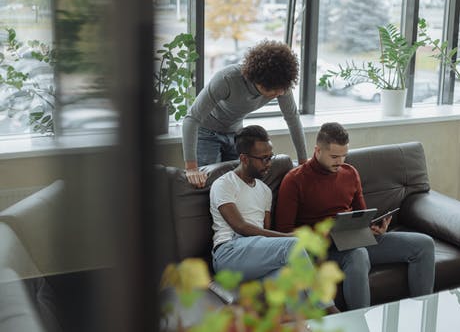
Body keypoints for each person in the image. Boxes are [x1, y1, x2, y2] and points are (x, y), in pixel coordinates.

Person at [275, 122, 435, 310]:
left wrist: (373, 229)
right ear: (317, 150)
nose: (340, 162)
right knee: (357, 254)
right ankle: (360, 322)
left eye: (344, 155)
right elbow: (282, 233)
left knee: (424, 245)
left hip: (352, 240)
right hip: (320, 250)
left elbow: (361, 215)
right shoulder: (295, 180)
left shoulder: (350, 173)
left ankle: (422, 315)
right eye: (334, 156)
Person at [210, 125, 338, 312]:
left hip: (255, 254)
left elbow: (265, 235)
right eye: (264, 159)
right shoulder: (224, 184)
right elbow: (241, 227)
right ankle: (329, 309)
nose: (269, 163)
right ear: (244, 158)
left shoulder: (265, 191)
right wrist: (290, 238)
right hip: (229, 252)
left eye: (271, 157)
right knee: (294, 245)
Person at [183, 40, 307, 188]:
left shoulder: (280, 85)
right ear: (257, 80)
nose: (279, 94)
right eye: (272, 90)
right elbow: (191, 119)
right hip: (206, 132)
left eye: (281, 89)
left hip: (235, 133)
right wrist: (191, 168)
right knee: (209, 184)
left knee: (239, 185)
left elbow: (293, 119)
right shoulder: (227, 79)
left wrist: (303, 163)